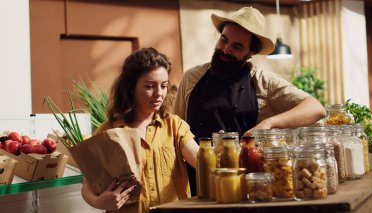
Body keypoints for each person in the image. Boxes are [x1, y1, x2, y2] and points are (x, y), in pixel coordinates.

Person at [173, 7, 326, 195]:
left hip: (247, 187)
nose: (226, 49)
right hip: (197, 184)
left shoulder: (264, 82)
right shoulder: (191, 78)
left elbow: (316, 108)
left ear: (251, 53)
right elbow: (176, 129)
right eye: (224, 39)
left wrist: (269, 123)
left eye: (237, 47)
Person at [81, 47, 199, 213]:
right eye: (150, 86)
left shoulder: (174, 126)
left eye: (164, 86)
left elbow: (200, 159)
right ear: (130, 87)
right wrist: (100, 202)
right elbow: (87, 186)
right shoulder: (108, 131)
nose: (159, 93)